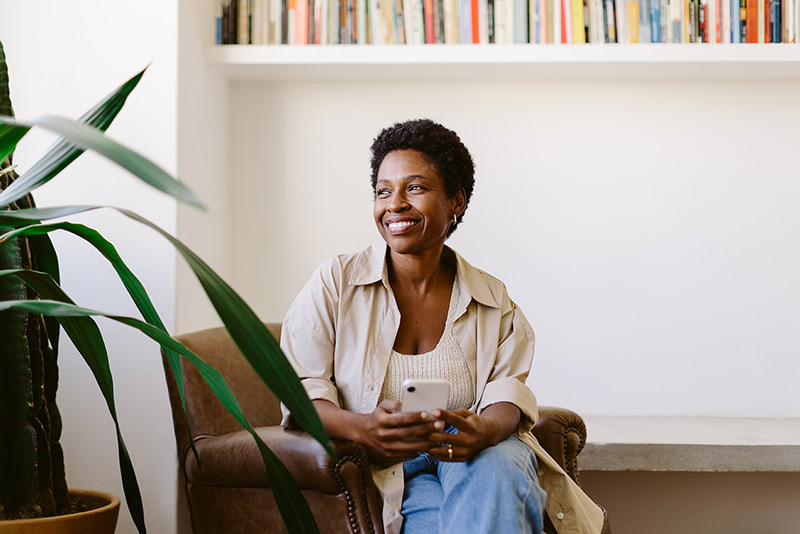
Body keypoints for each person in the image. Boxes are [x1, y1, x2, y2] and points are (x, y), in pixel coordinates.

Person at [280, 119, 605, 534]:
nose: (394, 204)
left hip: (477, 454)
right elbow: (300, 391)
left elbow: (507, 393)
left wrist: (484, 429)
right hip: (392, 469)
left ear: (457, 201)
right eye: (383, 190)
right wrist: (363, 427)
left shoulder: (491, 296)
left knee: (499, 472)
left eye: (414, 187)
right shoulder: (335, 283)